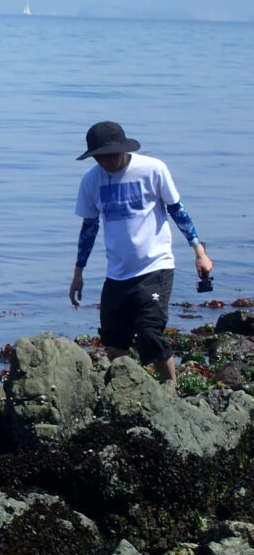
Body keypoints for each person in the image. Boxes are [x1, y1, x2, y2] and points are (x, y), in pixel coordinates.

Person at [69, 122, 213, 382]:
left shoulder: (152, 169)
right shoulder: (91, 180)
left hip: (155, 266)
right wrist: (78, 273)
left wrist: (199, 251)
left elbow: (177, 210)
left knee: (150, 333)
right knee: (114, 344)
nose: (105, 162)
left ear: (123, 149)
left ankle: (171, 390)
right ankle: (127, 392)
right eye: (99, 157)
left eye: (110, 155)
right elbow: (89, 228)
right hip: (117, 273)